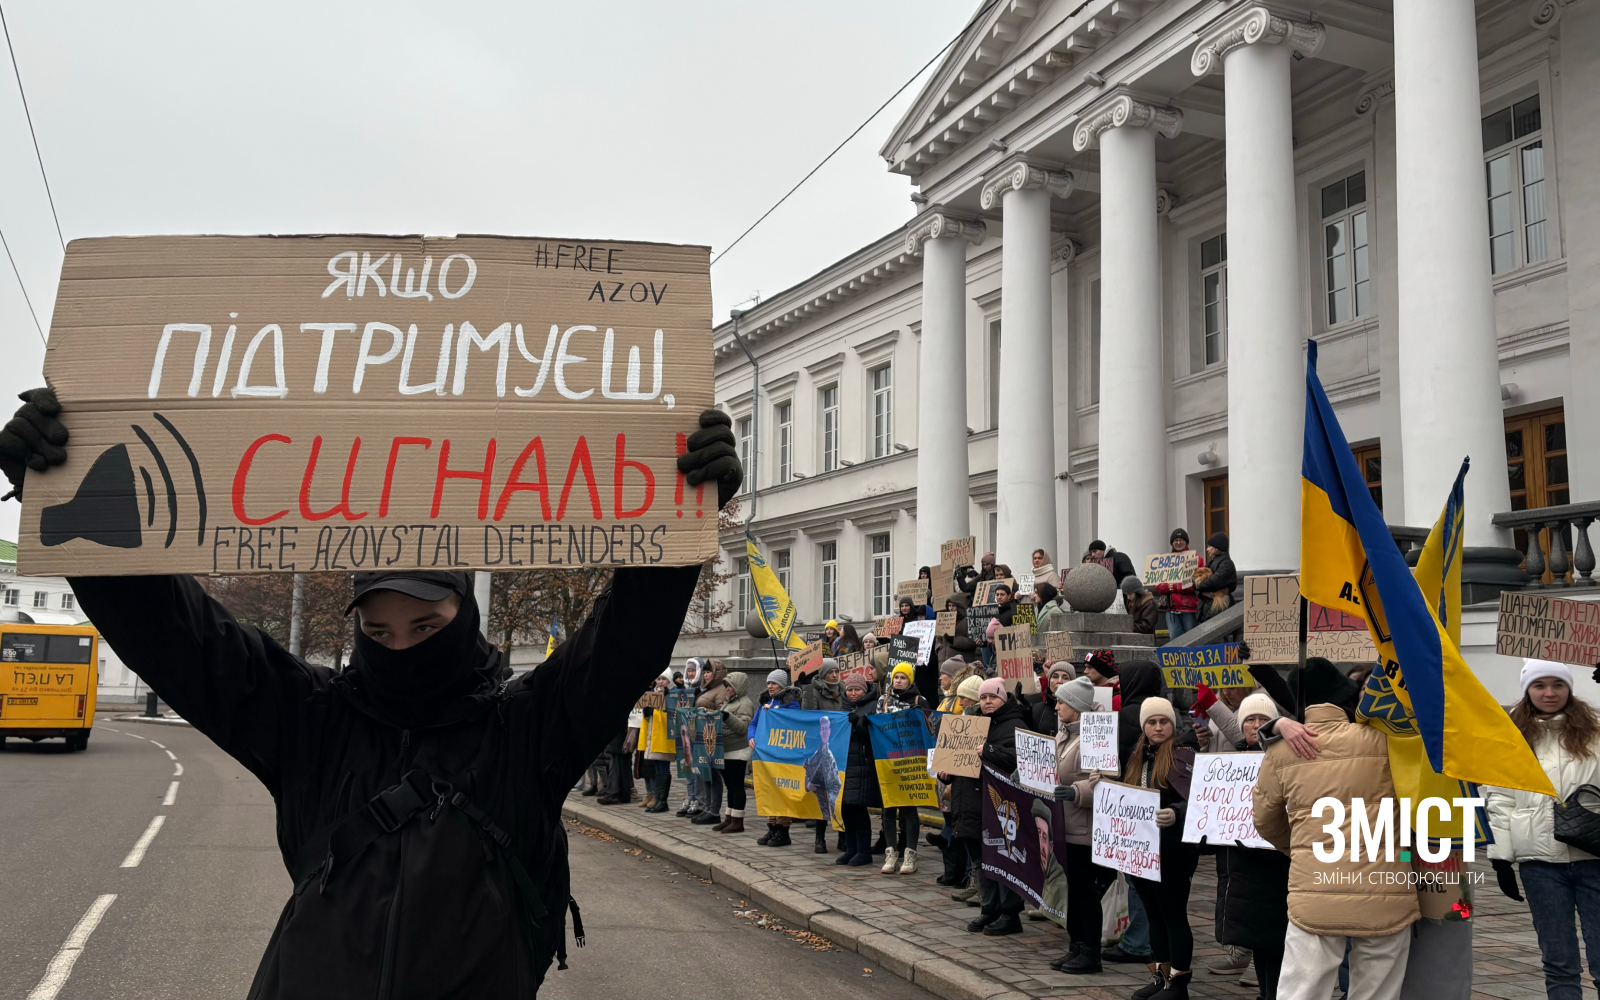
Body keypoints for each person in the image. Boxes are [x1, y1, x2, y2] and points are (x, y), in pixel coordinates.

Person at [0, 391, 742, 996]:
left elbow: (622, 645)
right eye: (381, 633)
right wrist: (70, 500)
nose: (405, 647)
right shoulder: (310, 720)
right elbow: (178, 638)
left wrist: (682, 520)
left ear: (464, 613)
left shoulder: (528, 729)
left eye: (425, 624)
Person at [1252, 658, 1419, 1000]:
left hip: (1314, 887)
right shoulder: (1385, 740)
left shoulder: (1281, 751)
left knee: (1302, 991)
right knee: (1377, 992)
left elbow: (1265, 820)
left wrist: (1298, 848)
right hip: (1384, 886)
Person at [1487, 659, 1600, 1000]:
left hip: (1594, 857)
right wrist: (1501, 858)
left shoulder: (1595, 733)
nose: (1549, 693)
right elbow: (1500, 800)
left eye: (1557, 684)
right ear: (1527, 690)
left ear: (1569, 688)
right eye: (1540, 685)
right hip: (1540, 866)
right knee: (1559, 961)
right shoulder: (1510, 738)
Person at [1211, 692, 1289, 998]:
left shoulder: (1285, 757)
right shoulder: (1230, 761)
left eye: (1263, 719)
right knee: (1257, 939)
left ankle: (1273, 994)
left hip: (1274, 862)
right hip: (1239, 864)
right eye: (1249, 720)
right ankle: (1266, 992)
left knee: (1276, 940)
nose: (1256, 725)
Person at [1120, 696, 1198, 1000]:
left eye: (1163, 721)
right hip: (1141, 851)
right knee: (1153, 915)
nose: (1158, 726)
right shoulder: (1137, 754)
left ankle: (1179, 984)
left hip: (1173, 853)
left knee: (1173, 914)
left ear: (1172, 724)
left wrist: (1176, 813)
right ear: (1144, 726)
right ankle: (1159, 977)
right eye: (1152, 722)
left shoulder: (1183, 755)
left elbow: (1195, 799)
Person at [949, 678, 1031, 937]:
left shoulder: (1016, 725)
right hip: (972, 803)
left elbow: (1019, 760)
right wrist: (947, 774)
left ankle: (1009, 913)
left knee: (1003, 859)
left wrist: (990, 750)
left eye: (992, 697)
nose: (987, 702)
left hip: (999, 807)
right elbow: (961, 761)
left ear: (1003, 699)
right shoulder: (971, 724)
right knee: (980, 861)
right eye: (983, 698)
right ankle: (989, 908)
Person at [1048, 677, 1115, 974]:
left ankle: (1090, 953)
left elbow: (1106, 782)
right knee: (1072, 890)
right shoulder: (1064, 733)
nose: (1057, 704)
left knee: (1085, 892)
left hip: (1085, 829)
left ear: (1076, 706)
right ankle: (1076, 946)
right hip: (1065, 826)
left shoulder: (1096, 736)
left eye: (1062, 701)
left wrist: (1075, 792)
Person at [879, 663, 927, 875]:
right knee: (888, 809)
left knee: (909, 810)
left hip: (909, 762)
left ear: (910, 680)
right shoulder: (884, 700)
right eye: (896, 677)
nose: (898, 680)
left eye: (903, 677)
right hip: (887, 760)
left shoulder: (919, 700)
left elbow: (929, 727)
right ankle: (891, 853)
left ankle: (910, 853)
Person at [752, 669, 801, 847]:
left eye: (773, 683)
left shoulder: (791, 703)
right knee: (769, 789)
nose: (770, 686)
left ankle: (783, 829)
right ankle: (771, 826)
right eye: (768, 683)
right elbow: (754, 723)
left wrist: (774, 713)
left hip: (783, 754)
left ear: (782, 685)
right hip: (767, 754)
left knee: (781, 790)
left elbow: (793, 723)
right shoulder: (765, 701)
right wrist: (752, 737)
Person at [837, 673, 881, 866]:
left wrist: (859, 724)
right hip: (844, 764)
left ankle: (864, 851)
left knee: (858, 809)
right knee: (845, 808)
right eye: (850, 690)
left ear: (865, 690)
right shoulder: (842, 707)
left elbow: (875, 736)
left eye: (857, 690)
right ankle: (851, 848)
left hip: (862, 764)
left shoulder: (873, 706)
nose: (853, 693)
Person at [712, 672, 756, 835]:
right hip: (726, 748)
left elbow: (742, 728)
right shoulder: (730, 701)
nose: (727, 689)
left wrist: (726, 716)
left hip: (738, 749)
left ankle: (738, 820)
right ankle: (730, 818)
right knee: (729, 785)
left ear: (738, 687)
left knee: (736, 785)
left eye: (730, 686)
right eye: (726, 686)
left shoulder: (745, 703)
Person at [691, 663, 731, 826]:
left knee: (714, 776)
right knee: (705, 774)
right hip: (702, 737)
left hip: (713, 739)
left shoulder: (721, 691)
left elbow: (723, 714)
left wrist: (708, 714)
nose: (706, 675)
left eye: (709, 672)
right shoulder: (706, 689)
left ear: (718, 674)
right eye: (705, 672)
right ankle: (707, 807)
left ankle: (714, 810)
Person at [1153, 528, 1202, 640]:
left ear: (1186, 542)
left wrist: (1173, 586)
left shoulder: (1196, 559)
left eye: (1181, 540)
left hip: (1190, 608)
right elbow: (1157, 583)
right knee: (1174, 640)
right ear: (1172, 543)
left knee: (1192, 640)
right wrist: (1172, 587)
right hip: (1171, 609)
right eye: (1175, 540)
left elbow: (1197, 583)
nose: (1178, 542)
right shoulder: (1164, 561)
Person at [1194, 533, 1236, 622]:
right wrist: (1201, 591)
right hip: (1208, 606)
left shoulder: (1226, 564)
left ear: (1217, 548)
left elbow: (1214, 582)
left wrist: (1198, 584)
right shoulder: (1212, 562)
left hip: (1218, 607)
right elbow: (1196, 579)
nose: (1207, 549)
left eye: (1209, 546)